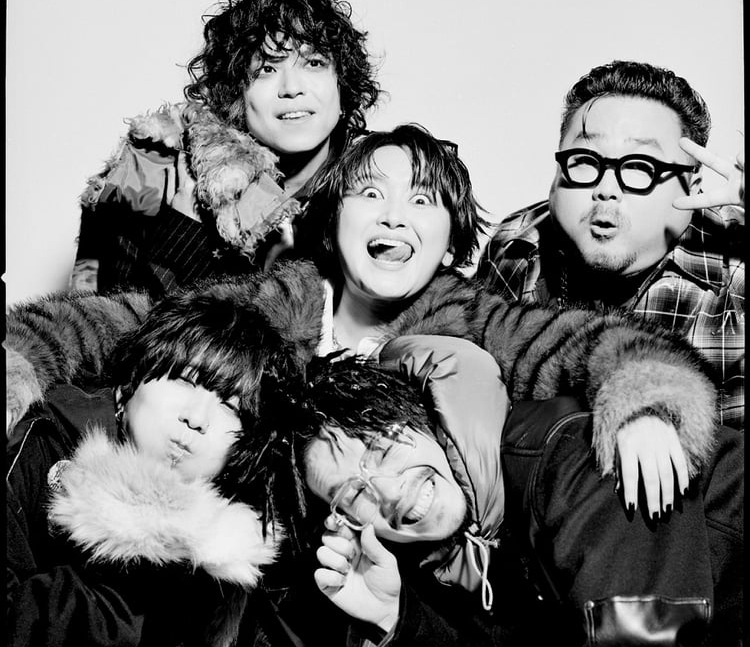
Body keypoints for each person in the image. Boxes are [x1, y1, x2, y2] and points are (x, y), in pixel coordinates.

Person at [7, 125, 721, 523]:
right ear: (334, 223)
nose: (394, 216)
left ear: (451, 240)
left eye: (422, 202)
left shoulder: (466, 318)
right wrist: (20, 358)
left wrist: (648, 406)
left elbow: (585, 343)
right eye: (370, 194)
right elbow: (129, 320)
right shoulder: (283, 300)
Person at [245, 346, 744, 647]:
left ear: (425, 419)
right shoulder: (448, 558)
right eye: (354, 493)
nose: (389, 492)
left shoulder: (570, 457)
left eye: (383, 447)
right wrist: (392, 619)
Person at [6, 288, 310, 647]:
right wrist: (130, 549)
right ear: (128, 386)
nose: (197, 418)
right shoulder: (37, 445)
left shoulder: (223, 545)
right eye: (185, 380)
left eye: (231, 406)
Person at [476, 60, 744, 431]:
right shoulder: (517, 248)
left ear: (694, 186)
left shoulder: (737, 275)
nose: (606, 188)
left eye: (640, 166)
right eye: (586, 160)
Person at [70, 0, 381, 295]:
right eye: (266, 69)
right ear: (235, 93)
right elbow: (108, 318)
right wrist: (186, 228)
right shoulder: (151, 171)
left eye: (313, 63)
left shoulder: (386, 183)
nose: (291, 88)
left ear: (342, 84)